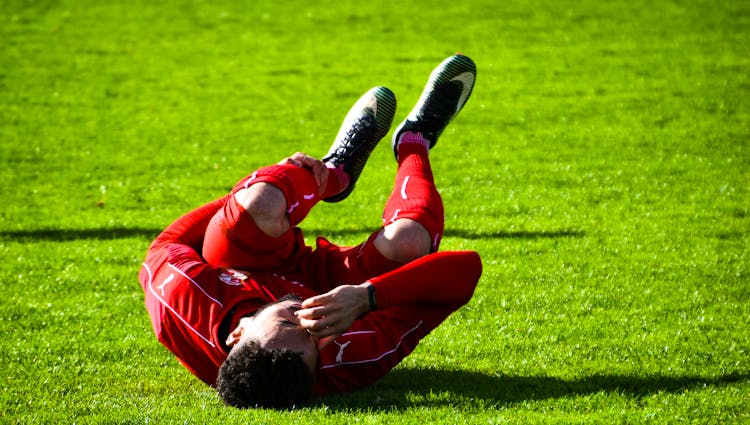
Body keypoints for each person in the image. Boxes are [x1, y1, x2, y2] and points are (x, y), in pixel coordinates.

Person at [138, 54, 482, 409]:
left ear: (238, 334)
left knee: (258, 204)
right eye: (314, 336)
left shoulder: (181, 302)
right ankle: (415, 139)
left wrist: (267, 185)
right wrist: (367, 297)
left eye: (290, 324)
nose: (307, 316)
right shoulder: (350, 357)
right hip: (334, 285)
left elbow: (165, 244)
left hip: (241, 262)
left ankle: (334, 174)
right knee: (409, 241)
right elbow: (466, 269)